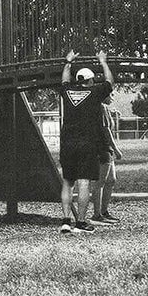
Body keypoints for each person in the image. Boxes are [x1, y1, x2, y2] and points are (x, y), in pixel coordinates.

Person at [59, 49, 115, 230]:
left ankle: (66, 221)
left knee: (68, 182)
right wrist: (103, 62)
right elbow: (109, 82)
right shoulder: (95, 92)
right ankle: (80, 222)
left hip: (67, 142)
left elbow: (64, 80)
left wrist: (68, 62)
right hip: (87, 143)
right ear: (90, 80)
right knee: (84, 182)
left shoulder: (67, 92)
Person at [94, 92, 123, 222]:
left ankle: (104, 211)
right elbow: (106, 131)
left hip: (107, 149)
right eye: (110, 95)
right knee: (100, 182)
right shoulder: (101, 107)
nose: (112, 97)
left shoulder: (105, 109)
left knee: (111, 180)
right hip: (102, 148)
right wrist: (116, 149)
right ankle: (97, 214)